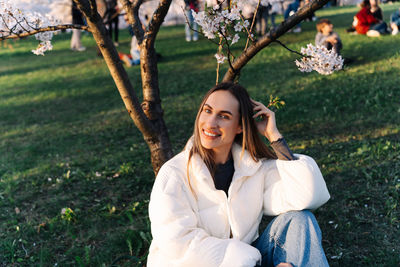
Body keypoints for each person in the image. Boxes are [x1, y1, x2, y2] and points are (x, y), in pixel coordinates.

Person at [147, 82, 331, 266]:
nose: (210, 123)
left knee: (300, 220)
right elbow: (179, 244)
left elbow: (305, 197)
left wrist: (274, 136)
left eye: (224, 116)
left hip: (246, 260)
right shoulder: (174, 174)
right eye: (207, 111)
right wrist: (248, 261)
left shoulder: (252, 168)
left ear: (240, 127)